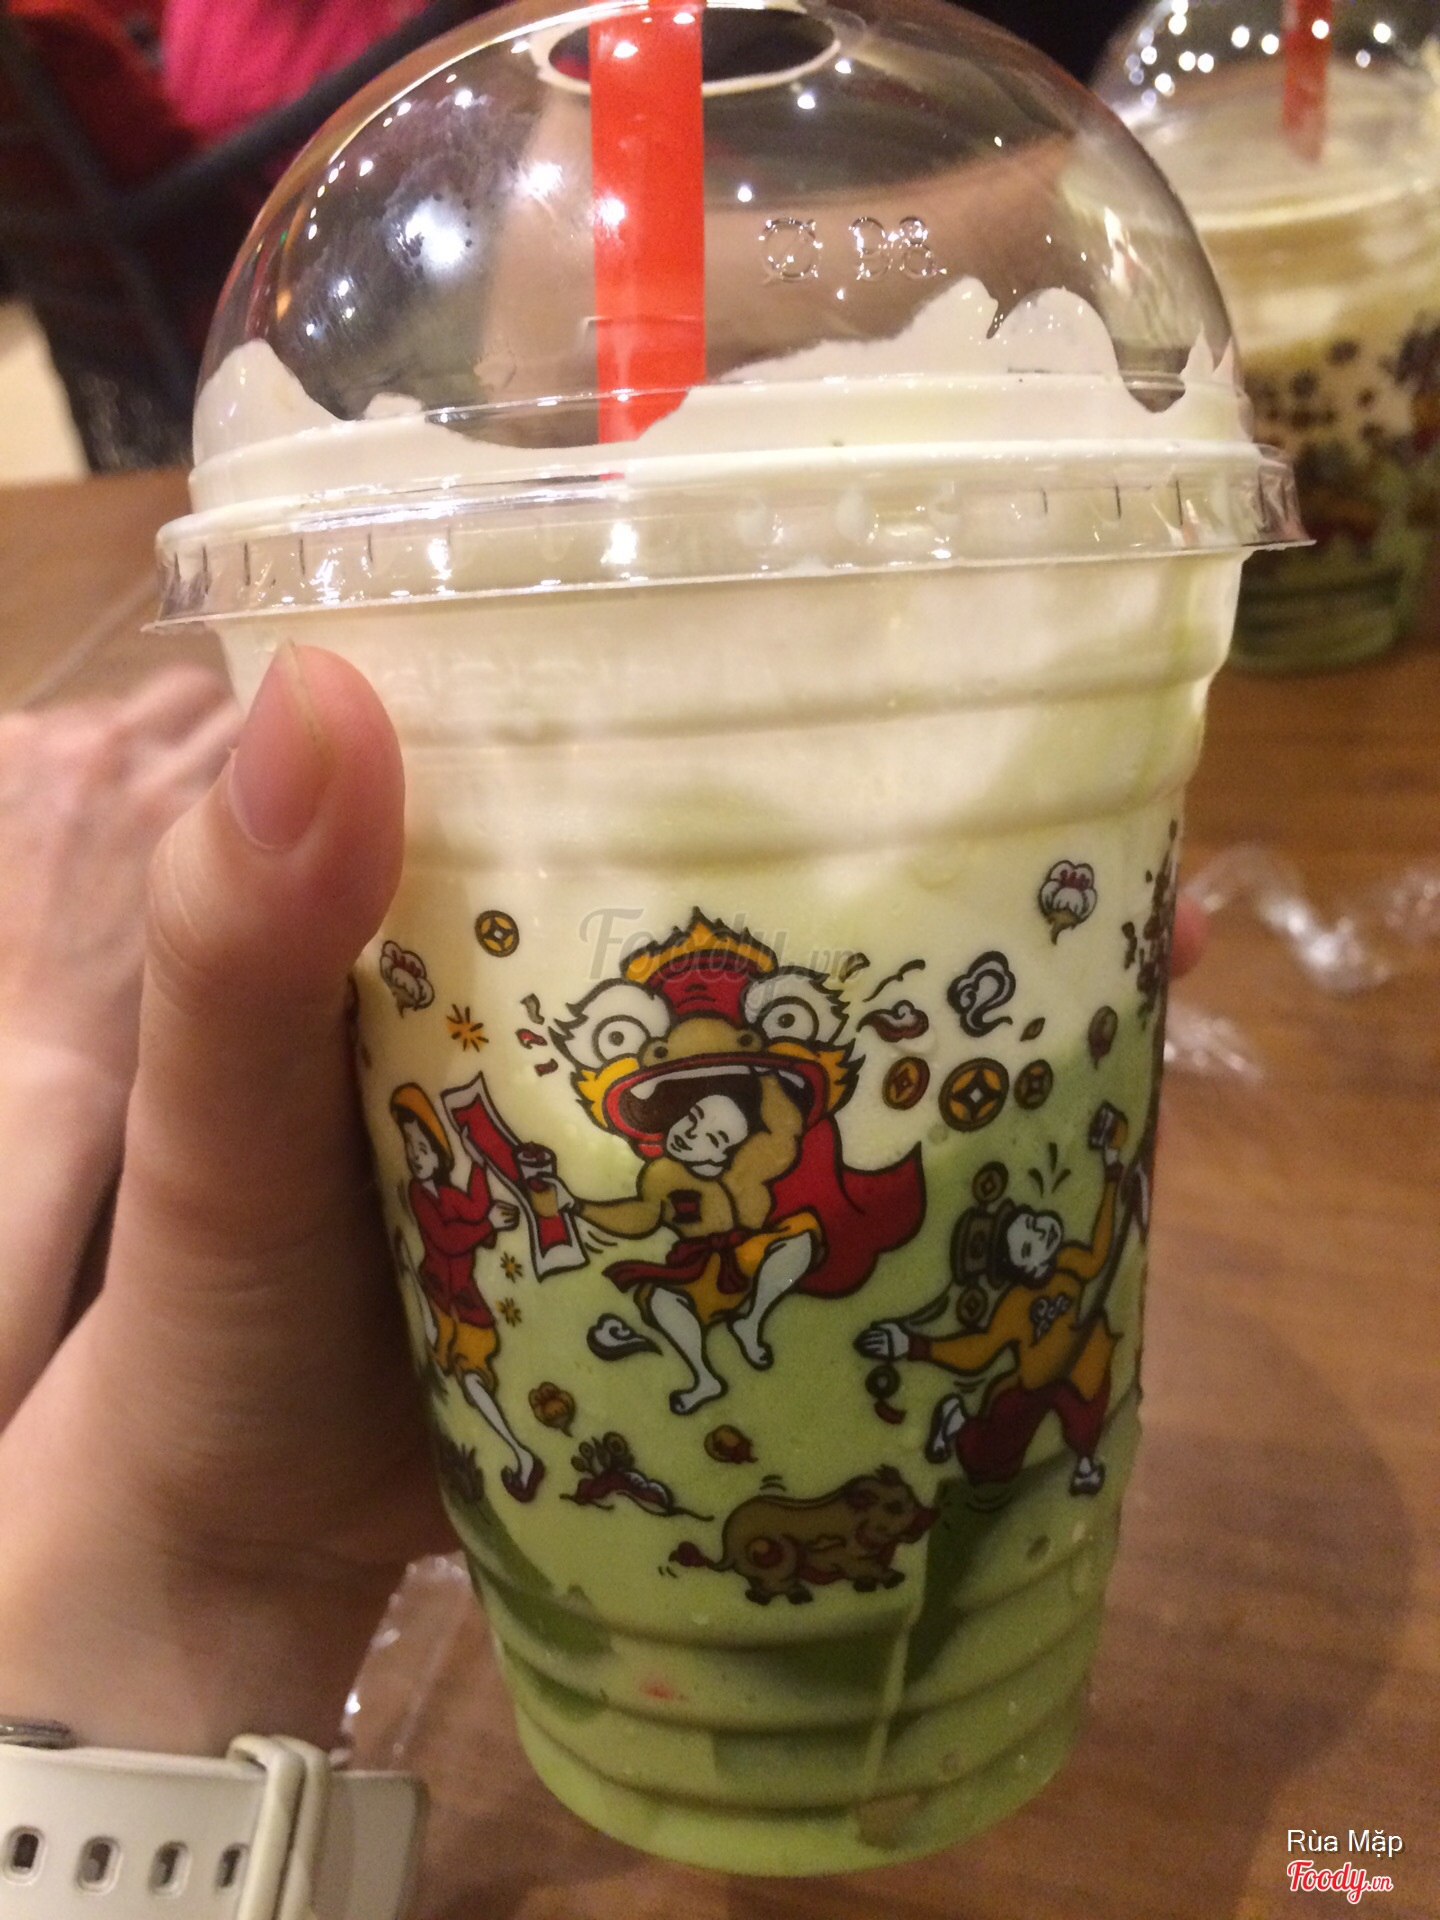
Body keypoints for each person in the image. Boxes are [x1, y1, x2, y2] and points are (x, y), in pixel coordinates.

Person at [0, 642, 1205, 1760]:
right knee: (689, 1310)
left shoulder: (795, 1151)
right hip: (694, 1304)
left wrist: (210, 1543)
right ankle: (715, 1360)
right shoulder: (671, 1164)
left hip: (813, 1266)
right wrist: (203, 1537)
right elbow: (645, 1213)